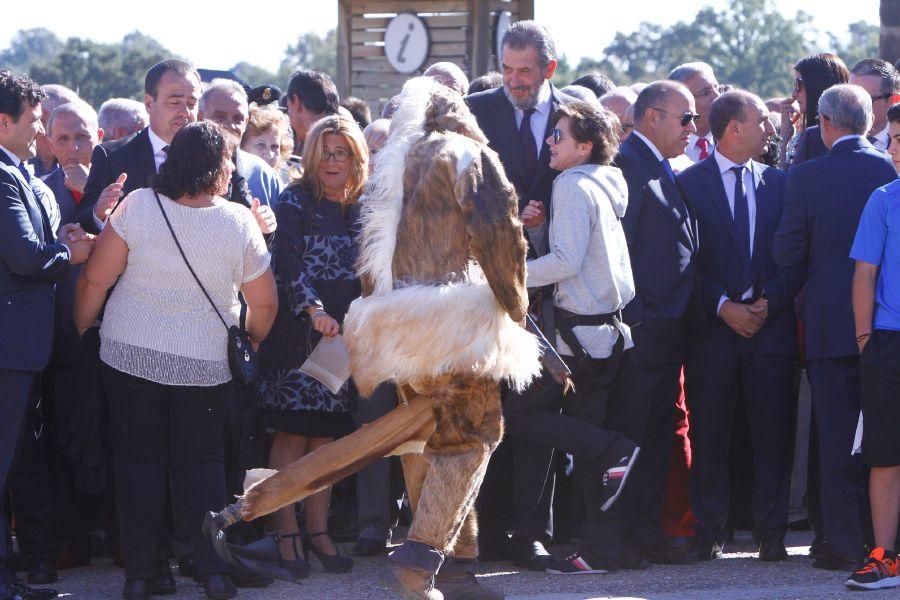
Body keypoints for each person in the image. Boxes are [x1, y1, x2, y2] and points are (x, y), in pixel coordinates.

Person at [343, 75, 538, 600]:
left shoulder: (391, 165)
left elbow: (369, 253)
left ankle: (457, 568)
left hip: (399, 327)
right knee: (474, 435)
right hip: (456, 323)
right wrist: (514, 307)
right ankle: (423, 555)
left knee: (426, 438)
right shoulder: (470, 155)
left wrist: (379, 323)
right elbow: (501, 235)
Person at [73, 121, 277, 600]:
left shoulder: (137, 206)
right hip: (205, 364)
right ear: (220, 168)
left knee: (137, 464)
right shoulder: (239, 222)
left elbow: (94, 282)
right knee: (203, 465)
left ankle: (141, 575)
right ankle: (213, 572)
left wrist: (83, 328)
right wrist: (251, 342)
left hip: (128, 356)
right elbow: (265, 303)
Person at [503, 100, 640, 574]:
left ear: (585, 147)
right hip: (604, 336)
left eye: (558, 136)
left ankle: (614, 453)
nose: (549, 142)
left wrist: (502, 274)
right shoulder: (602, 183)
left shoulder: (571, 184)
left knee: (521, 419)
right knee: (588, 451)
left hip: (579, 340)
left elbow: (565, 263)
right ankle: (605, 549)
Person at [773, 84, 897, 571]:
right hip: (887, 325)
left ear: (824, 123)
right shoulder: (886, 170)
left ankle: (845, 542)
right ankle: (881, 540)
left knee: (839, 436)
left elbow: (787, 252)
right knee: (888, 439)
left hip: (831, 325)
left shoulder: (806, 178)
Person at [465, 19, 575, 569]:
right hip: (486, 289)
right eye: (507, 69)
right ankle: (482, 530)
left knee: (536, 410)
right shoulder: (476, 109)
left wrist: (548, 216)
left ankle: (533, 531)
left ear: (549, 69)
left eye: (525, 71)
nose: (514, 81)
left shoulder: (575, 113)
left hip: (554, 291)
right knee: (486, 409)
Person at [677, 90, 802, 562]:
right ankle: (710, 531)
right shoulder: (690, 184)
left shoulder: (781, 184)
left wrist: (767, 303)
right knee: (710, 433)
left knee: (772, 434)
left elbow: (795, 256)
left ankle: (772, 534)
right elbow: (683, 262)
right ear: (733, 128)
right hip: (713, 336)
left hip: (770, 334)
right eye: (761, 121)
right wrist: (723, 305)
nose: (769, 129)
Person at [256, 114, 367, 579]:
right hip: (299, 336)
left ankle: (319, 532)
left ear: (356, 157)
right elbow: (287, 262)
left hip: (348, 336)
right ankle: (286, 532)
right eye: (325, 152)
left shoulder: (366, 206)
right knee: (293, 433)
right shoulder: (294, 199)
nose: (332, 162)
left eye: (342, 152)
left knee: (327, 437)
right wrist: (314, 309)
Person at [0, 69, 93, 600]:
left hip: (24, 347)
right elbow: (26, 256)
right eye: (34, 122)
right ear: (3, 121)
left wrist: (61, 238)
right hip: (10, 348)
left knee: (17, 460)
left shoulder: (18, 172)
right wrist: (69, 252)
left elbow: (35, 244)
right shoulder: (2, 175)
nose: (39, 133)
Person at [601, 80, 699, 568]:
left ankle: (646, 532)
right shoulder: (627, 166)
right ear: (653, 116)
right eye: (686, 118)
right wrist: (639, 320)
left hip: (667, 334)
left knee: (657, 436)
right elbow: (621, 253)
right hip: (643, 333)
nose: (692, 129)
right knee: (632, 437)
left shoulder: (660, 166)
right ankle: (621, 537)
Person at [846, 101, 900, 591]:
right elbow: (864, 273)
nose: (897, 149)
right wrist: (866, 339)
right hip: (888, 343)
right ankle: (884, 556)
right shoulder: (883, 198)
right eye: (895, 139)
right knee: (884, 454)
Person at [77, 58, 203, 234]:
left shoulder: (210, 156)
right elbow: (82, 222)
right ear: (149, 103)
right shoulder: (112, 156)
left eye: (192, 104)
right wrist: (98, 212)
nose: (185, 113)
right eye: (175, 103)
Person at [198, 78, 282, 209]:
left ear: (246, 122)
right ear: (200, 117)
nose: (229, 125)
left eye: (238, 119)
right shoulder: (181, 166)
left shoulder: (262, 175)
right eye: (220, 117)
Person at [784, 53, 849, 168]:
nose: (794, 94)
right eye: (794, 85)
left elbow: (787, 181)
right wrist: (784, 137)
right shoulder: (802, 135)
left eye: (798, 84)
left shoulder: (832, 137)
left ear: (816, 85)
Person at [669, 62, 720, 163]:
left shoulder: (734, 142)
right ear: (681, 101)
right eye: (705, 92)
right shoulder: (667, 148)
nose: (717, 96)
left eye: (718, 88)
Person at [848, 59, 900, 151]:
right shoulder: (821, 138)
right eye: (847, 98)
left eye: (864, 101)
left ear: (894, 100)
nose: (852, 107)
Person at [285, 69, 340, 151]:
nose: (289, 116)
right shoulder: (348, 139)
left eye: (289, 108)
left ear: (296, 102)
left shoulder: (318, 149)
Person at [32, 84, 79, 178]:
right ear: (44, 117)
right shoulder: (16, 163)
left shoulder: (72, 165)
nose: (78, 123)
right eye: (70, 115)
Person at [241, 104, 294, 185]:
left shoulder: (286, 186)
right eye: (261, 145)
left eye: (274, 147)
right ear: (242, 147)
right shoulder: (229, 186)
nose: (270, 154)